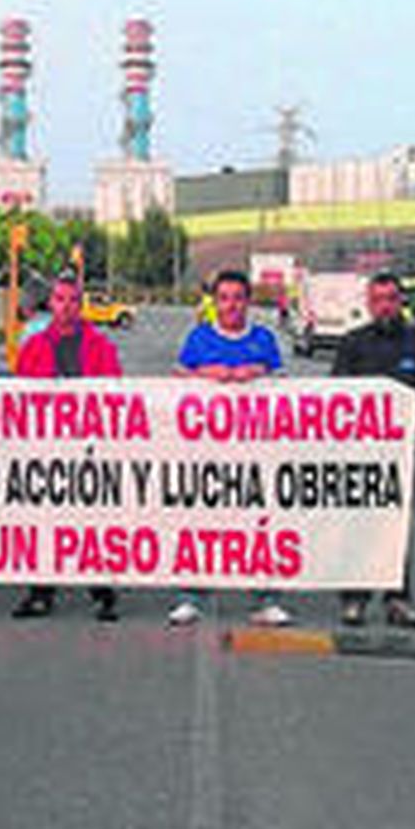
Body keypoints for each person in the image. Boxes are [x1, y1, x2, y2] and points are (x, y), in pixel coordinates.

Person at [169, 268, 291, 628]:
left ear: (248, 302)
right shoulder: (199, 338)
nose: (231, 306)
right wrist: (203, 376)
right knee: (200, 521)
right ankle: (191, 596)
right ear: (215, 302)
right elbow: (176, 381)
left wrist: (257, 374)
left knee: (260, 522)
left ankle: (266, 598)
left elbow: (285, 385)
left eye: (238, 298)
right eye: (224, 298)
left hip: (255, 451)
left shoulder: (264, 339)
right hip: (207, 451)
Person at [13, 271, 122, 622]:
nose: (67, 306)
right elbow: (18, 396)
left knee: (89, 520)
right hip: (46, 448)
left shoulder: (101, 346)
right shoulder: (33, 346)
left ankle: (101, 590)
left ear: (81, 304)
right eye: (60, 299)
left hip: (88, 447)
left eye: (74, 300)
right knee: (44, 519)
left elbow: (116, 393)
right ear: (51, 303)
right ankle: (41, 591)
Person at [332, 271, 415, 629]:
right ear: (368, 303)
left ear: (401, 301)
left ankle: (398, 599)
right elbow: (336, 399)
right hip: (361, 454)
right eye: (377, 300)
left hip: (403, 455)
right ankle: (354, 599)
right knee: (358, 524)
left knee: (398, 527)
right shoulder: (352, 343)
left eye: (390, 298)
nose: (384, 306)